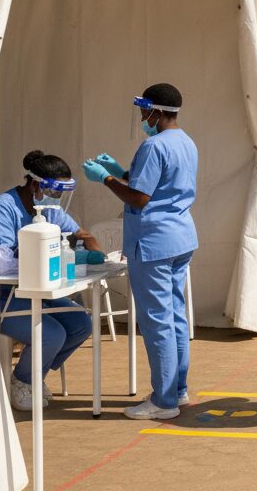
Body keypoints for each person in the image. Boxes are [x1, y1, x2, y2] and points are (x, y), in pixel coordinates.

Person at [83, 83, 198, 420]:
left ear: (156, 111)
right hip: (180, 239)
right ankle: (177, 390)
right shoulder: (186, 141)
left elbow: (140, 197)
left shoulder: (153, 145)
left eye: (144, 111)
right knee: (175, 317)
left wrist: (105, 179)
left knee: (158, 322)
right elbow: (154, 182)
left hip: (153, 242)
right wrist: (119, 172)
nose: (141, 118)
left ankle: (164, 402)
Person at [0, 152, 98, 411]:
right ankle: (21, 380)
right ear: (35, 185)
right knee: (50, 333)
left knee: (81, 323)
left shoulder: (50, 211)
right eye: (53, 192)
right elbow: (4, 266)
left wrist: (90, 246)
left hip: (35, 291)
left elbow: (81, 234)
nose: (56, 201)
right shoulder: (2, 208)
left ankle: (33, 376)